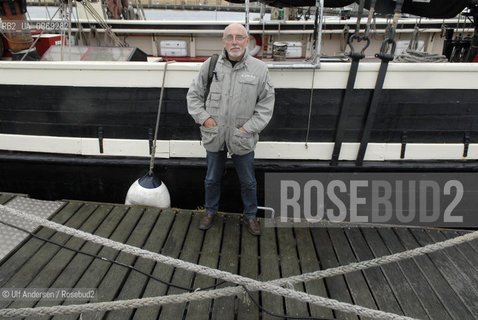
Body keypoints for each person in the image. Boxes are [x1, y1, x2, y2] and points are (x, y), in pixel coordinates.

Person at [187, 23, 275, 236]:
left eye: (239, 37)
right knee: (211, 178)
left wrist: (247, 129)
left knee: (248, 181)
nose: (234, 41)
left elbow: (265, 106)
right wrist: (205, 119)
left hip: (242, 137)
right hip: (214, 134)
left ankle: (251, 216)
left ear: (247, 40)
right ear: (223, 41)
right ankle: (210, 211)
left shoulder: (259, 70)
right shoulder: (211, 65)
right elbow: (193, 96)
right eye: (229, 37)